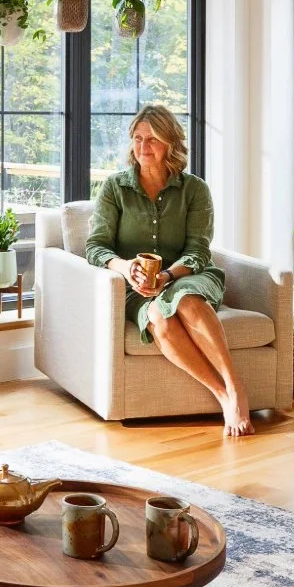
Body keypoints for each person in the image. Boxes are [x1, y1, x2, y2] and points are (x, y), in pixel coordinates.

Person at [83, 105, 252, 437]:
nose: (143, 147)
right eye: (137, 138)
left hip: (189, 276)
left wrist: (168, 276)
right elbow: (96, 247)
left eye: (153, 140)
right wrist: (125, 267)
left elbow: (198, 250)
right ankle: (221, 395)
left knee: (185, 299)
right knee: (160, 317)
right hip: (136, 288)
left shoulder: (195, 190)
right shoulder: (115, 188)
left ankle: (235, 387)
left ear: (170, 144)